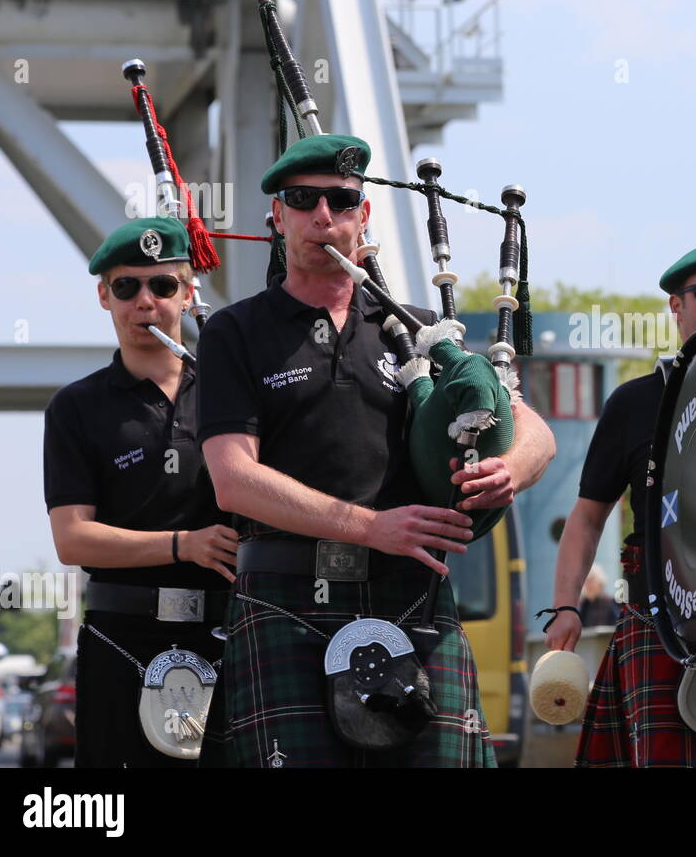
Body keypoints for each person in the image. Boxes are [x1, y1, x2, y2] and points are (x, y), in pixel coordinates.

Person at [196, 134, 555, 767]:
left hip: (410, 594)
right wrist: (371, 527)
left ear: (364, 217)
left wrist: (510, 469)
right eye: (303, 201)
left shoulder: (420, 330)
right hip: (285, 595)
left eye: (341, 200)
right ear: (277, 218)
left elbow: (536, 433)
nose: (323, 216)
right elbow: (233, 479)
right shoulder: (236, 330)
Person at [545, 244, 696, 767]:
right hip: (660, 618)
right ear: (676, 307)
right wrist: (567, 606)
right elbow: (589, 515)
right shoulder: (635, 402)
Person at [43, 215, 239, 768]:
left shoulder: (235, 393)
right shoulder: (76, 407)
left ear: (188, 292)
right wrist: (183, 544)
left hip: (228, 630)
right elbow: (72, 540)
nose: (144, 302)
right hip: (120, 637)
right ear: (104, 296)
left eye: (162, 285)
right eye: (126, 287)